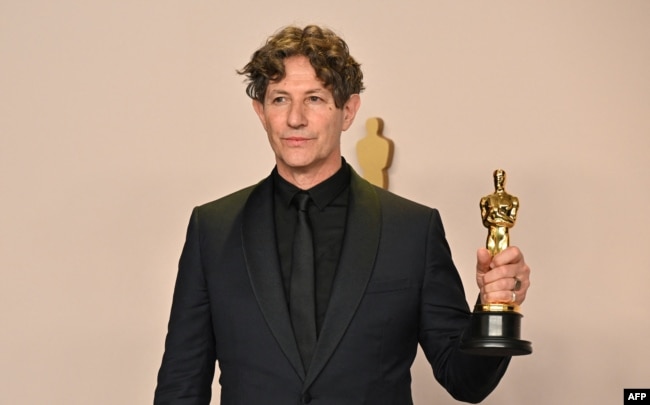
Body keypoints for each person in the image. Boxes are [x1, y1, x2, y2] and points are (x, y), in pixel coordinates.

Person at [154, 25, 531, 404]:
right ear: (261, 112)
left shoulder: (412, 230)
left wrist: (494, 307)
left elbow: (465, 381)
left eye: (315, 99)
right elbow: (181, 384)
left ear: (348, 110)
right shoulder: (213, 229)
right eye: (280, 99)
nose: (295, 119)